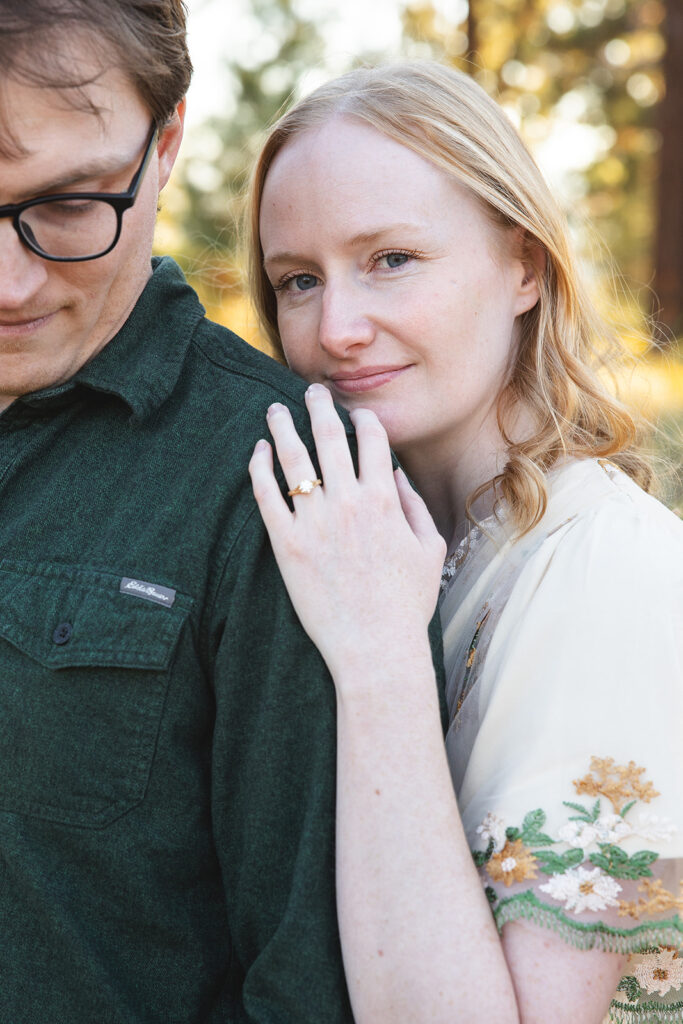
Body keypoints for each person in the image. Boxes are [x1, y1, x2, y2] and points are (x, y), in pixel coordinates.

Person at [247, 62, 683, 1023]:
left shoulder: (603, 566)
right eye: (298, 280)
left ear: (523, 266)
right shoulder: (391, 550)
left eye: (391, 259)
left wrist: (377, 663)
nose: (337, 328)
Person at [0, 2, 399, 1019]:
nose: (8, 281)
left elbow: (306, 982)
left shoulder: (280, 470)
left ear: (166, 142)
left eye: (69, 203)